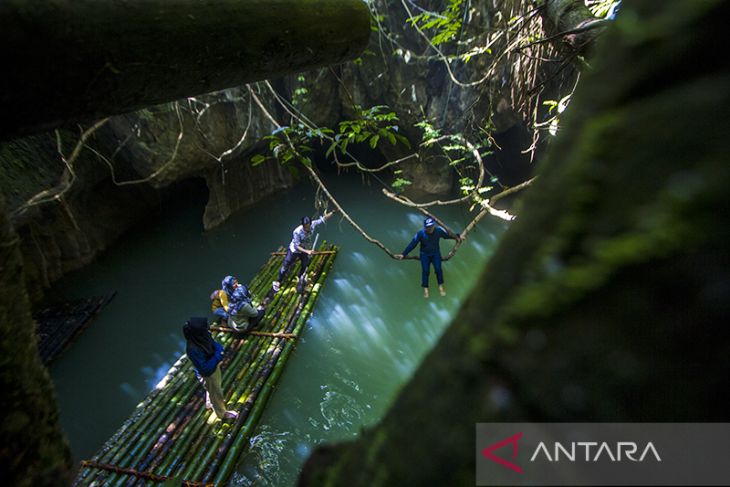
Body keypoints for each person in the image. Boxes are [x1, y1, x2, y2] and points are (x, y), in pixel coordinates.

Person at [182, 317, 238, 420]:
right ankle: (222, 414)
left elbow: (213, 344)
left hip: (212, 367)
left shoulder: (202, 336)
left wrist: (218, 350)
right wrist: (218, 355)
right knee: (216, 393)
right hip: (209, 374)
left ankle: (210, 402)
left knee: (211, 388)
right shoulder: (193, 349)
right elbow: (205, 369)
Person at [396, 217, 463, 298]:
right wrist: (403, 254)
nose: (430, 228)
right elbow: (412, 244)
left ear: (433, 225)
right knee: (425, 271)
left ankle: (441, 286)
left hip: (435, 254)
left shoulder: (438, 231)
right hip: (424, 255)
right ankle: (426, 289)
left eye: (431, 226)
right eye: (428, 227)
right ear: (425, 227)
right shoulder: (420, 233)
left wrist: (458, 236)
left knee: (438, 270)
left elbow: (447, 236)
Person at [273, 210, 336, 292]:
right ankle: (278, 281)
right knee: (286, 266)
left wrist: (333, 212)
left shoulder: (312, 224)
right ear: (302, 225)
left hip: (305, 249)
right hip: (295, 250)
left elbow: (323, 219)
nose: (307, 228)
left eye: (308, 225)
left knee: (304, 264)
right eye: (305, 226)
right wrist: (307, 251)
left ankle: (300, 279)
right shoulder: (297, 232)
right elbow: (296, 246)